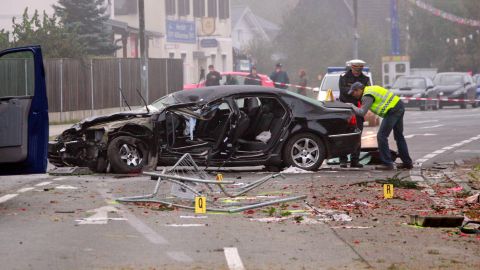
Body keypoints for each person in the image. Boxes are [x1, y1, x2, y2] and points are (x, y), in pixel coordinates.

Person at [347, 82, 413, 170]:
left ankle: (387, 163)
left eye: (353, 93)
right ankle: (407, 163)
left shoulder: (367, 95)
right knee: (399, 136)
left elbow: (362, 113)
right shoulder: (371, 89)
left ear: (359, 90)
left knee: (381, 136)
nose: (353, 95)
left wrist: (351, 106)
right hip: (398, 105)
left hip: (392, 110)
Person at [338, 59, 370, 168]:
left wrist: (352, 92)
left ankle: (355, 160)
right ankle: (343, 160)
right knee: (343, 134)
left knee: (357, 134)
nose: (357, 71)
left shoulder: (365, 79)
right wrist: (356, 92)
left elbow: (365, 93)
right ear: (352, 67)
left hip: (358, 109)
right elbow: (343, 91)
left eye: (360, 69)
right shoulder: (343, 77)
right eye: (356, 69)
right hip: (345, 109)